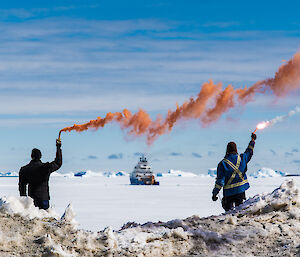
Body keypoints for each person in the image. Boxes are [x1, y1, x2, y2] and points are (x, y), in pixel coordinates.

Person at [212, 133, 256, 211]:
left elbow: (220, 182)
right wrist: (252, 141)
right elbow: (249, 151)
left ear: (227, 150)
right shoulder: (242, 158)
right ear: (236, 149)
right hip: (240, 191)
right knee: (240, 212)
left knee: (229, 214)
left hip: (228, 194)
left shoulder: (222, 163)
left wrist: (215, 193)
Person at [19, 139, 62, 210]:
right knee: (45, 219)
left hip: (31, 200)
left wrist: (24, 200)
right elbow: (58, 163)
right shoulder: (46, 167)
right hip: (44, 199)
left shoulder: (24, 169)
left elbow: (22, 187)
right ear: (40, 156)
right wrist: (58, 147)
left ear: (31, 156)